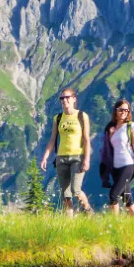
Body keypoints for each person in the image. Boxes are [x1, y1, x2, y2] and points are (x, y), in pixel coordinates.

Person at [40, 88, 93, 216]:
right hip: (61, 158)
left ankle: (88, 212)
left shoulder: (81, 116)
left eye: (67, 97)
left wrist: (87, 159)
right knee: (65, 194)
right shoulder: (58, 118)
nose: (64, 100)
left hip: (77, 157)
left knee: (76, 190)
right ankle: (69, 223)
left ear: (74, 99)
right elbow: (52, 139)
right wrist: (45, 157)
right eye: (62, 98)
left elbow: (86, 139)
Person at [99, 99, 134, 218]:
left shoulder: (131, 126)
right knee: (127, 199)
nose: (123, 112)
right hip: (115, 167)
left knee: (113, 195)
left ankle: (115, 224)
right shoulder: (112, 127)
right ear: (116, 111)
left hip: (128, 165)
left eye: (126, 110)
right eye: (121, 110)